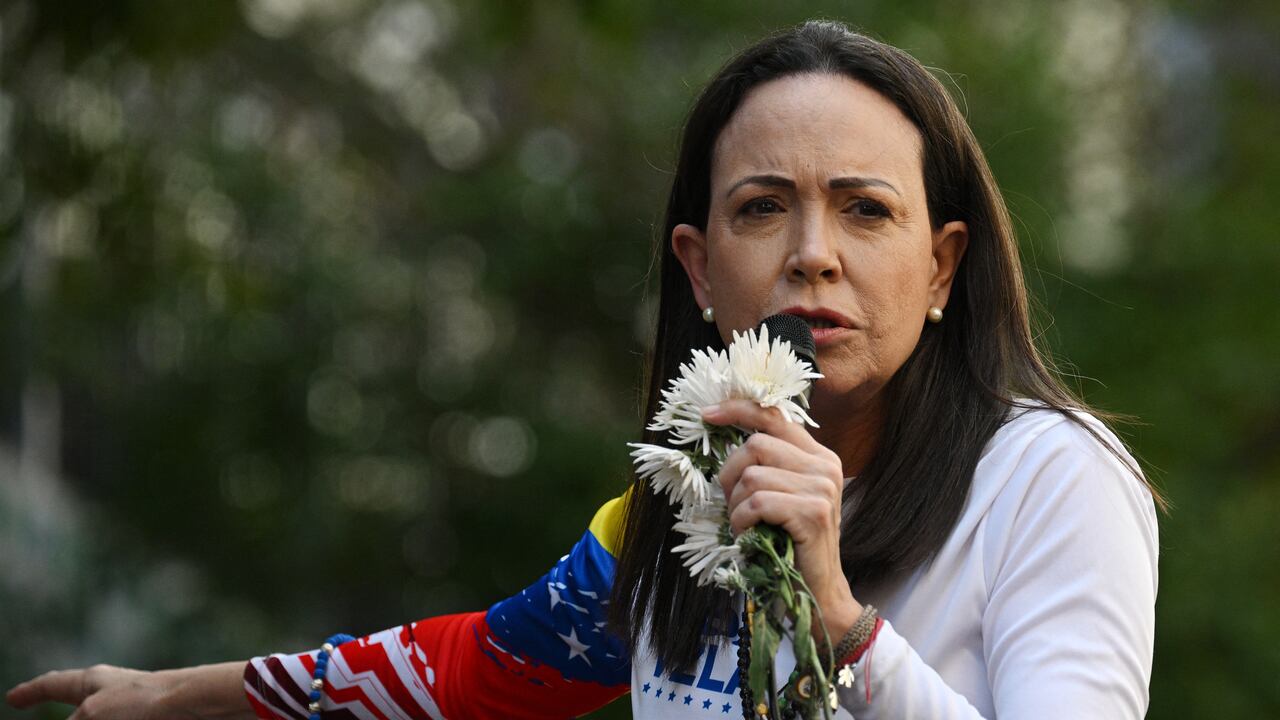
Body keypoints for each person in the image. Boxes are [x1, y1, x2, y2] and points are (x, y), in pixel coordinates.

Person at [5, 20, 1161, 720]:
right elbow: (478, 671)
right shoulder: (681, 501)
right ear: (698, 270)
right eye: (764, 208)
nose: (813, 254)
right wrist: (180, 694)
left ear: (942, 264)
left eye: (864, 210)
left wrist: (840, 620)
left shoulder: (1049, 482)